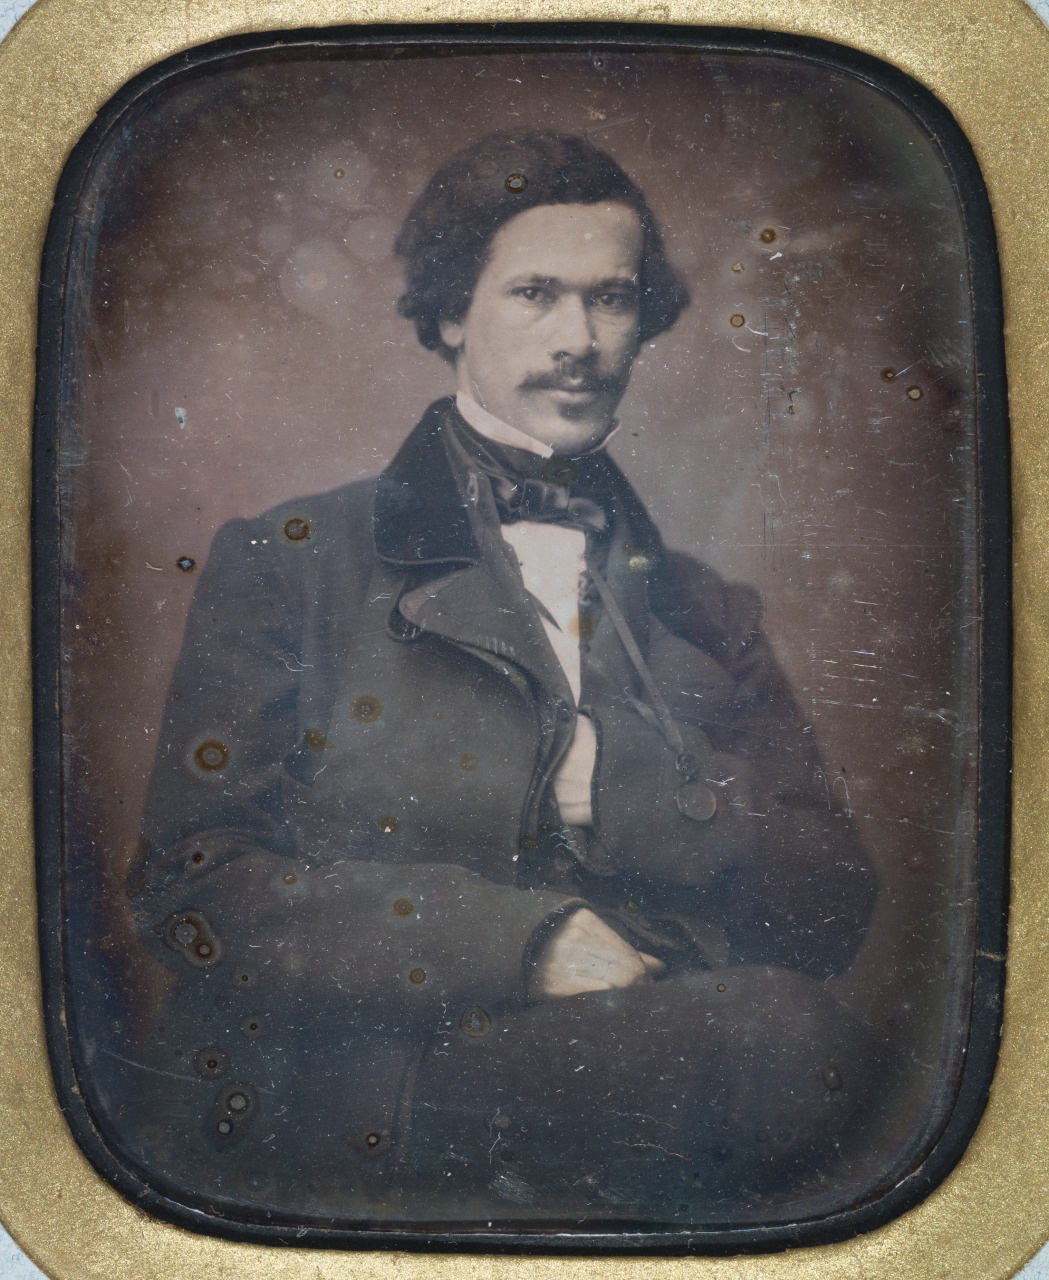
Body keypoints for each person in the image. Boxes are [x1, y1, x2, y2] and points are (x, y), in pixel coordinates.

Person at [125, 132, 881, 1227]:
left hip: (646, 1068)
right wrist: (515, 943)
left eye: (611, 299)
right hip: (363, 1085)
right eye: (535, 293)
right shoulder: (287, 562)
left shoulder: (703, 606)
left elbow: (829, 904)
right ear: (446, 314)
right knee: (780, 1046)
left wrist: (625, 785)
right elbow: (189, 888)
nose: (578, 339)